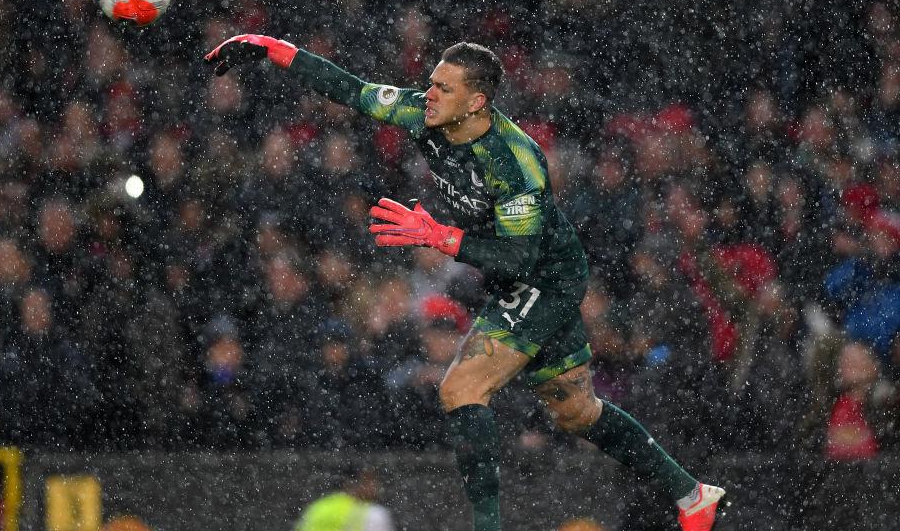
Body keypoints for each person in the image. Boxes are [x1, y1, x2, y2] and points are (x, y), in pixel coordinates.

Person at [207, 34, 725, 531]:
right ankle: (691, 495)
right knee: (576, 412)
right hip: (515, 274)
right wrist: (269, 48)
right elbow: (350, 88)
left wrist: (442, 238)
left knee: (460, 388)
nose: (428, 94)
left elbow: (521, 258)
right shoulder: (421, 113)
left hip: (545, 276)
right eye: (431, 83)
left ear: (477, 102)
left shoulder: (515, 161)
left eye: (444, 88)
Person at [294, 466, 394, 531]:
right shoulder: (372, 513)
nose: (375, 487)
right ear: (353, 483)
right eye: (369, 482)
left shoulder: (318, 507)